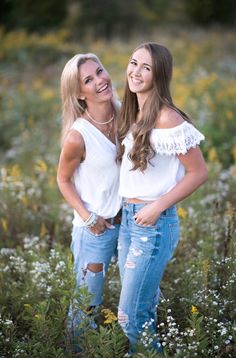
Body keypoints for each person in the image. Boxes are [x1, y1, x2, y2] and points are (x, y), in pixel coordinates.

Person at [116, 42, 208, 354]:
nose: (136, 72)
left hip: (152, 225)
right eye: (133, 63)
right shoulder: (135, 112)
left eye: (146, 67)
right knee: (141, 310)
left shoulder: (168, 119)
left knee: (130, 316)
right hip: (130, 220)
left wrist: (157, 206)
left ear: (160, 75)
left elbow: (198, 173)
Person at [57, 53, 122, 351]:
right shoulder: (77, 136)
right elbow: (63, 180)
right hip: (95, 230)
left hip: (131, 224)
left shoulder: (127, 116)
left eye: (100, 71)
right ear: (79, 93)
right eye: (88, 80)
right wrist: (88, 217)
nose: (100, 81)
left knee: (145, 297)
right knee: (86, 308)